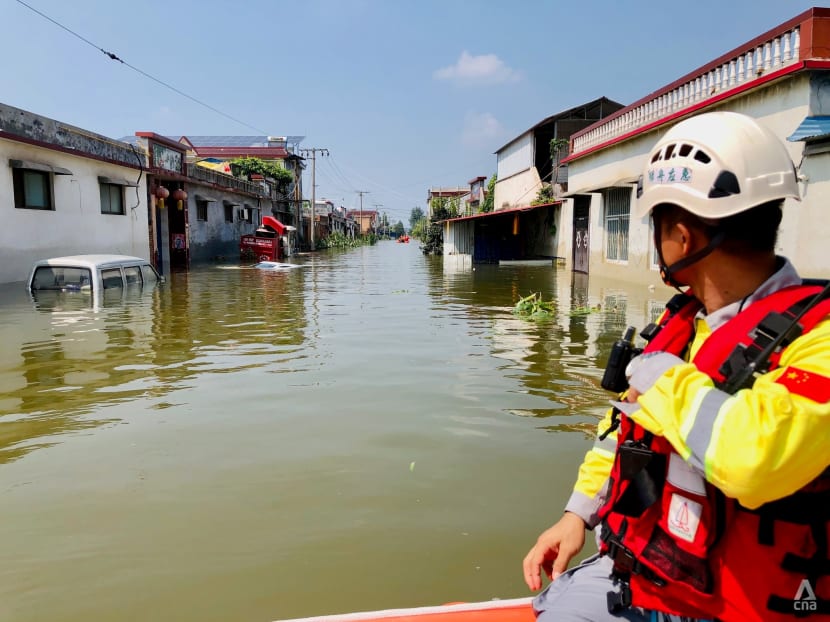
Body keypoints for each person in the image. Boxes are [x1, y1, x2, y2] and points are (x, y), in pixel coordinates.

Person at [522, 111, 830, 622]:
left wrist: (659, 376)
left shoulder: (816, 339)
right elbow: (620, 434)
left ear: (682, 237)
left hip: (746, 607)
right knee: (551, 604)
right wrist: (577, 514)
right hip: (649, 579)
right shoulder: (681, 323)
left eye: (656, 226)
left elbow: (756, 460)